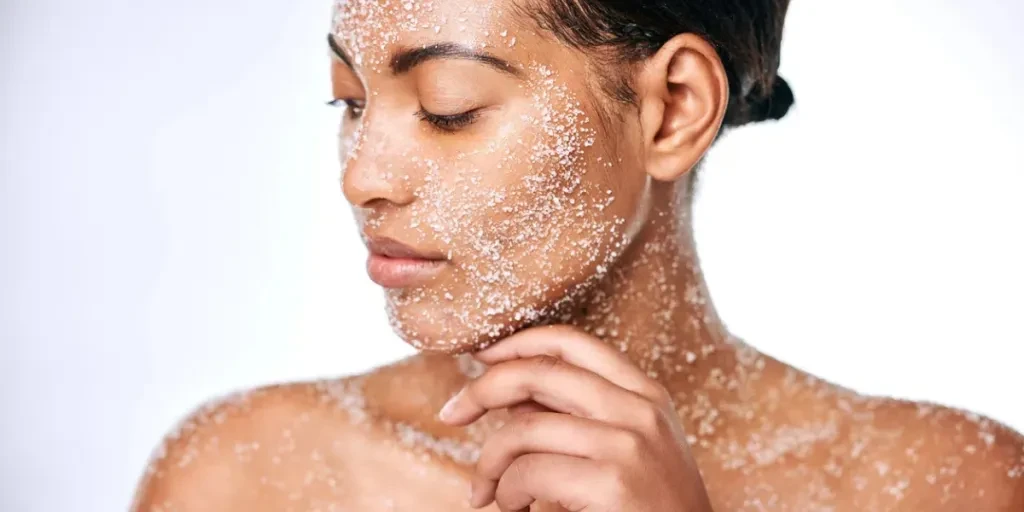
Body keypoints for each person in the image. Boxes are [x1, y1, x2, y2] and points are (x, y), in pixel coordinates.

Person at [131, 0, 1024, 510]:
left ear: (673, 109)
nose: (362, 176)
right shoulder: (245, 478)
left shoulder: (957, 489)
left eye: (447, 106)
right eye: (350, 100)